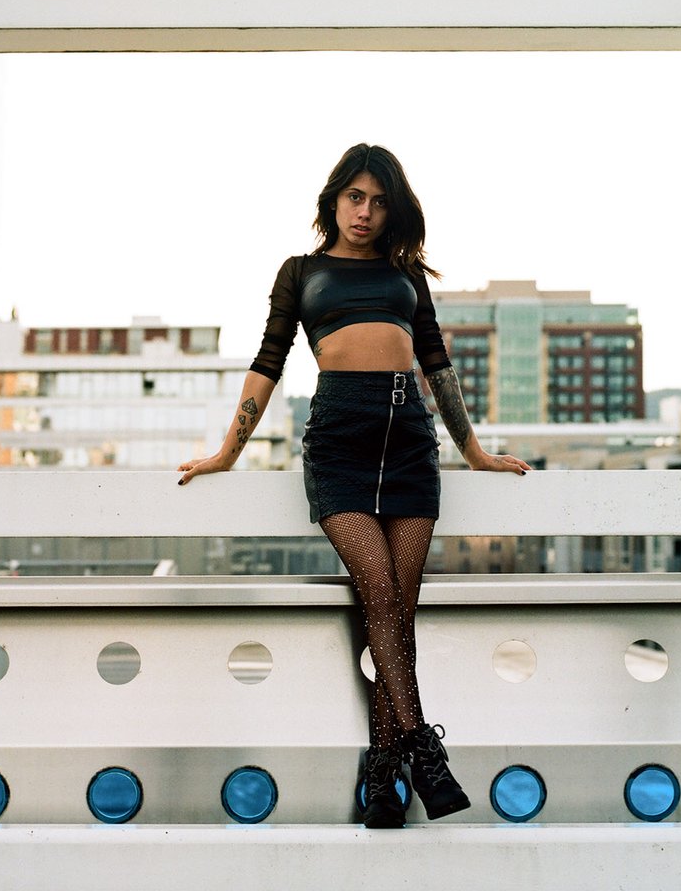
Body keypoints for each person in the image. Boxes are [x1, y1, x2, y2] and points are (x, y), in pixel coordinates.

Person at [178, 142, 530, 828]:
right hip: (339, 438)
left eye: (378, 201)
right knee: (378, 590)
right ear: (333, 200)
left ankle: (380, 781)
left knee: (398, 606)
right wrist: (228, 450)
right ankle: (422, 747)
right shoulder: (301, 272)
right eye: (355, 198)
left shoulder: (405, 276)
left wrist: (475, 451)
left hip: (409, 441)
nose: (365, 212)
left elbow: (437, 364)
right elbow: (268, 361)